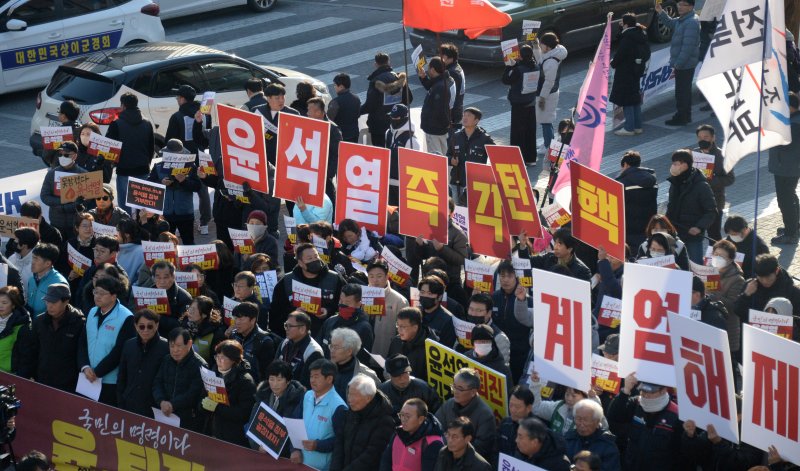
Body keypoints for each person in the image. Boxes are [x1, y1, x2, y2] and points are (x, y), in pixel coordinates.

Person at [607, 374, 685, 470]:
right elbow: (614, 416)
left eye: (650, 391)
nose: (645, 395)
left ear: (663, 390)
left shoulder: (676, 415)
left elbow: (682, 455)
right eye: (643, 390)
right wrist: (625, 390)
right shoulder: (636, 403)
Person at [79, 276, 136, 405]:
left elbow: (120, 351)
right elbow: (83, 342)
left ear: (113, 296)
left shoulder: (126, 317)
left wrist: (98, 372)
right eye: (96, 292)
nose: (97, 296)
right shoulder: (92, 312)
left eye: (102, 293)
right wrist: (85, 367)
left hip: (110, 382)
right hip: (87, 377)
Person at [270, 243, 347, 336]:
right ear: (300, 263)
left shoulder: (334, 278)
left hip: (328, 335)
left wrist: (328, 311)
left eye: (316, 256)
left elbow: (347, 302)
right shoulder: (287, 281)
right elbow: (276, 311)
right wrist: (293, 312)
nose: (315, 260)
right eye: (310, 258)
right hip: (296, 336)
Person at [24, 283, 85, 392]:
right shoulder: (39, 322)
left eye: (54, 302)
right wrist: (30, 374)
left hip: (69, 385)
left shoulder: (79, 323)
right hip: (41, 380)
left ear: (66, 301)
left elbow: (81, 353)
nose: (49, 306)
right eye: (47, 301)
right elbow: (31, 351)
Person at [290, 359, 347, 471]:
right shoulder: (307, 395)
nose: (312, 380)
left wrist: (318, 445)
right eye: (311, 376)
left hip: (320, 468)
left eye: (316, 376)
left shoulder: (339, 407)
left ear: (329, 379)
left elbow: (342, 441)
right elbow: (295, 422)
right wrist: (294, 449)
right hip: (298, 462)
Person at [331, 375, 395, 471]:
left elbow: (372, 455)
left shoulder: (384, 422)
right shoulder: (349, 413)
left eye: (354, 395)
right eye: (349, 393)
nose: (349, 399)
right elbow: (339, 444)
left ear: (368, 398)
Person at [106, 92, 155, 215]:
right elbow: (151, 148)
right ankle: (142, 230)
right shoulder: (147, 123)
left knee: (124, 209)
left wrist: (113, 164)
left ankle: (127, 232)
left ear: (123, 106)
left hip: (124, 170)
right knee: (143, 207)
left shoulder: (116, 124)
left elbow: (109, 148)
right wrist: (146, 164)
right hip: (143, 169)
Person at [201, 339, 256, 447]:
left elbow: (244, 414)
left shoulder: (245, 381)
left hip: (233, 438)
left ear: (233, 360)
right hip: (212, 432)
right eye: (217, 357)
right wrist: (203, 404)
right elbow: (201, 398)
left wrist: (217, 408)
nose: (218, 361)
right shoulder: (213, 374)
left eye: (223, 358)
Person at [666, 149, 717, 264]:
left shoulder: (701, 186)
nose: (672, 166)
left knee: (695, 266)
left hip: (692, 236)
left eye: (675, 164)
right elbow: (671, 206)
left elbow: (711, 211)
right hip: (675, 234)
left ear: (685, 165)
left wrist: (699, 227)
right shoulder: (675, 183)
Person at [116, 309, 169, 418]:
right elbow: (122, 377)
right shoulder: (128, 345)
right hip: (129, 405)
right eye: (141, 326)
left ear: (157, 325)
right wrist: (121, 402)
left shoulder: (166, 348)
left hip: (154, 409)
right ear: (136, 326)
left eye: (150, 326)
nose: (145, 330)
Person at [153, 327, 208, 432]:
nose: (175, 350)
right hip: (163, 413)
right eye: (172, 346)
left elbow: (194, 392)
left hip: (188, 420)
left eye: (179, 346)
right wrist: (161, 401)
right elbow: (157, 383)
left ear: (189, 344)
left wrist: (173, 404)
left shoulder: (200, 365)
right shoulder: (166, 360)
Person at [656, 0, 700, 126]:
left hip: (685, 64)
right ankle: (685, 115)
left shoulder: (691, 22)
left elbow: (688, 47)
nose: (679, 7)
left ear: (691, 6)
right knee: (683, 91)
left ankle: (682, 117)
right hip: (684, 63)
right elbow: (670, 23)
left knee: (682, 92)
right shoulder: (684, 19)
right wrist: (660, 11)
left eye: (683, 5)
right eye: (679, 4)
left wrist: (678, 64)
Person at [435, 368, 495, 459]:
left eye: (460, 389)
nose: (455, 391)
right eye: (454, 386)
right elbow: (435, 427)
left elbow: (481, 449)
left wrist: (454, 448)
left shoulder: (485, 415)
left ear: (473, 392)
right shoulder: (449, 404)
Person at [149, 139, 201, 245]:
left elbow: (197, 186)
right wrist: (161, 182)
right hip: (166, 214)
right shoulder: (158, 166)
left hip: (185, 212)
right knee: (165, 244)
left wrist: (184, 181)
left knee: (188, 242)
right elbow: (149, 184)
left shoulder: (191, 167)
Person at [493, 260, 532, 383]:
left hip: (520, 354)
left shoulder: (527, 300)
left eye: (509, 276)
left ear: (517, 277)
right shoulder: (494, 297)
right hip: (498, 352)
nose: (505, 280)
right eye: (502, 276)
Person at [768, 92, 800, 244]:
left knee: (785, 200)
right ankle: (794, 227)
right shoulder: (791, 120)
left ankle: (790, 233)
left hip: (787, 168)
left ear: (791, 107)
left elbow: (784, 143)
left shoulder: (794, 124)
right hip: (787, 166)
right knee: (790, 196)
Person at [611, 13, 650, 136]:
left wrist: (613, 63)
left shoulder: (627, 38)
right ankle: (637, 126)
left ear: (626, 24)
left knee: (627, 99)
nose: (620, 25)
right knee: (635, 98)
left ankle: (629, 128)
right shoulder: (639, 34)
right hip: (636, 71)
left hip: (625, 72)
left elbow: (620, 55)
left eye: (622, 23)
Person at [694, 124, 735, 241]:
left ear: (713, 138)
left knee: (714, 235)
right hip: (696, 202)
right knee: (696, 234)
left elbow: (730, 179)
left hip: (715, 202)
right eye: (700, 137)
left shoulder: (722, 156)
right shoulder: (694, 154)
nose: (703, 140)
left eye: (706, 137)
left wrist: (712, 179)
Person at [362, 52, 411, 147]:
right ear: (389, 62)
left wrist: (357, 111)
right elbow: (409, 99)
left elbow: (369, 105)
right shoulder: (399, 78)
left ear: (376, 64)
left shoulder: (375, 82)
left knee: (380, 153)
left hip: (378, 125)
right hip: (396, 123)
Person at [39, 141, 87, 240]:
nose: (62, 157)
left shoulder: (83, 175)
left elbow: (87, 199)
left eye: (66, 155)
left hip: (75, 223)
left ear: (74, 156)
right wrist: (61, 202)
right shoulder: (51, 174)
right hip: (56, 221)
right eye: (60, 154)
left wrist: (69, 207)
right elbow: (44, 196)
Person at [380, 398, 444, 471]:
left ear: (421, 419)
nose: (403, 420)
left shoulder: (433, 443)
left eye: (407, 416)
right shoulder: (397, 433)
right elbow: (386, 461)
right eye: (401, 415)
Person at [447, 107, 495, 203]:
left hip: (476, 183)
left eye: (469, 116)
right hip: (457, 181)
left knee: (471, 212)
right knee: (457, 212)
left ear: (476, 120)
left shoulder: (485, 138)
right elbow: (448, 155)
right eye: (464, 115)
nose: (465, 118)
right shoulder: (456, 136)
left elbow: (496, 156)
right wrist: (451, 160)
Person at [735, 254, 800, 323]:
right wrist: (746, 295)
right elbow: (738, 311)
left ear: (777, 271)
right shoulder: (750, 286)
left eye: (768, 277)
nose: (764, 281)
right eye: (760, 277)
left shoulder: (791, 290)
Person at [709, 240, 745, 359]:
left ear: (729, 260)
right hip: (709, 324)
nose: (717, 258)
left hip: (727, 328)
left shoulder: (737, 279)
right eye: (715, 254)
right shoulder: (708, 270)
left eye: (721, 256)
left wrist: (713, 293)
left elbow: (732, 305)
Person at [502, 44, 538, 165]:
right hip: (531, 102)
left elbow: (505, 80)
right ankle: (531, 158)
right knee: (530, 131)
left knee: (518, 132)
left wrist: (509, 67)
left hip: (518, 104)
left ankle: (517, 159)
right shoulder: (536, 66)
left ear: (520, 56)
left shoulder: (518, 70)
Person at [366, 260, 409, 357]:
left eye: (379, 276)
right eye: (371, 276)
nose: (375, 280)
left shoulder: (399, 301)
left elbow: (404, 332)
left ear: (387, 276)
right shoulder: (361, 296)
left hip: (385, 354)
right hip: (363, 352)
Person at [616, 151, 657, 250]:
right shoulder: (652, 181)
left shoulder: (621, 183)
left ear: (625, 164)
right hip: (648, 226)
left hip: (628, 230)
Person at [564, 399, 621, 471]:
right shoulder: (567, 439)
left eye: (586, 420)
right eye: (578, 418)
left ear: (597, 422)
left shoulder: (608, 446)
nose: (581, 423)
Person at [230, 301, 278, 384]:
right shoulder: (234, 335)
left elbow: (266, 375)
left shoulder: (264, 341)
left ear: (253, 320)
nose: (237, 322)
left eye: (241, 319)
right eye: (235, 318)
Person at [318, 283, 374, 352]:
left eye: (347, 303)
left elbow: (362, 358)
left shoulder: (364, 329)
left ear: (359, 304)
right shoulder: (330, 321)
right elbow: (318, 347)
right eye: (341, 301)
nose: (342, 305)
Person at [535, 32, 567, 151]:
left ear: (548, 46)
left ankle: (548, 145)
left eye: (542, 45)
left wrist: (542, 98)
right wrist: (536, 46)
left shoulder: (552, 61)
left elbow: (549, 82)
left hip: (548, 94)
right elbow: (540, 60)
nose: (541, 46)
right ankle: (548, 143)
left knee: (545, 121)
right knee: (546, 120)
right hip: (549, 92)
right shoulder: (552, 53)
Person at [519, 228, 592, 281]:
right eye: (555, 243)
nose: (555, 247)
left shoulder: (582, 271)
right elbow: (526, 262)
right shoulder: (549, 257)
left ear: (570, 249)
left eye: (560, 244)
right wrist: (522, 245)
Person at [277, 310, 325, 389]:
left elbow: (306, 385)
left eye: (290, 326)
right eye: (286, 325)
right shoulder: (284, 343)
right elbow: (274, 369)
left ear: (302, 329)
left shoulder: (313, 352)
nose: (286, 329)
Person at [385, 104, 421, 205]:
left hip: (401, 187)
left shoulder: (411, 141)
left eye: (395, 117)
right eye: (391, 116)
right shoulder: (388, 133)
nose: (392, 119)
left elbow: (414, 168)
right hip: (387, 182)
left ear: (404, 118)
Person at [328, 327, 379, 399]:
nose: (332, 350)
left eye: (336, 347)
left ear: (349, 351)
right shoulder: (325, 368)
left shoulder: (366, 375)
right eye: (331, 346)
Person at [387, 307, 435, 382]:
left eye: (403, 327)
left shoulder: (431, 348)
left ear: (415, 327)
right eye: (398, 325)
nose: (399, 330)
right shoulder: (396, 341)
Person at [419, 57, 454, 156]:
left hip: (434, 129)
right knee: (444, 155)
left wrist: (444, 123)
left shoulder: (440, 87)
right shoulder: (441, 80)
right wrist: (423, 77)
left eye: (429, 68)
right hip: (440, 129)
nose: (427, 70)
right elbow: (429, 86)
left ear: (433, 70)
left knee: (436, 158)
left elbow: (440, 109)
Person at [261, 83, 300, 166]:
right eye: (277, 98)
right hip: (263, 157)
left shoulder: (293, 114)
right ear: (268, 98)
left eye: (283, 97)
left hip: (283, 159)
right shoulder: (257, 111)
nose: (281, 100)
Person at [150, 260, 192, 337]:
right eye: (158, 277)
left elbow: (183, 325)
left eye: (165, 277)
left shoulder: (184, 297)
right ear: (153, 278)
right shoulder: (148, 294)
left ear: (173, 277)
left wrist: (159, 318)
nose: (162, 281)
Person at [26, 243, 68, 317]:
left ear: (48, 263)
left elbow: (59, 312)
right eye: (32, 258)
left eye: (36, 259)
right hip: (31, 323)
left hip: (46, 325)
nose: (32, 262)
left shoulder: (58, 282)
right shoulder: (32, 279)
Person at [182, 295, 225, 364]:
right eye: (190, 308)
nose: (190, 312)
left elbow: (215, 361)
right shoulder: (183, 325)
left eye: (194, 310)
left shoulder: (215, 334)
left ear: (204, 315)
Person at [41, 100, 81, 167]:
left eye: (59, 112)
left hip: (60, 168)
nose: (58, 114)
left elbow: (46, 155)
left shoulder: (58, 133)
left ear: (64, 116)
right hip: (78, 167)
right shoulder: (83, 129)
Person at [0, 286, 30, 375]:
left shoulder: (22, 327)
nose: (0, 306)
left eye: (4, 302)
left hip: (8, 375)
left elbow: (25, 358)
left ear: (13, 305)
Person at [497, 385, 535, 456]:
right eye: (511, 405)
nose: (513, 410)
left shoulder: (536, 431)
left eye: (517, 407)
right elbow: (495, 450)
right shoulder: (505, 423)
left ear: (529, 408)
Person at [328, 73, 361, 143]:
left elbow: (329, 119)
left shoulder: (335, 102)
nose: (334, 87)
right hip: (354, 134)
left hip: (341, 136)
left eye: (335, 85)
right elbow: (358, 115)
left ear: (341, 87)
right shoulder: (356, 98)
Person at [438, 43, 466, 128]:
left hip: (452, 113)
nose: (440, 58)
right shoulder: (456, 67)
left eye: (443, 56)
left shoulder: (452, 73)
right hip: (457, 110)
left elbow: (447, 93)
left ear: (450, 58)